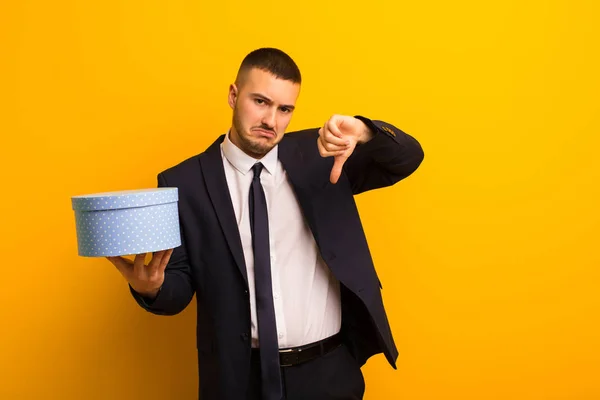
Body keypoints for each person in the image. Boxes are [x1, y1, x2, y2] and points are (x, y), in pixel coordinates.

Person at [107, 47, 424, 400]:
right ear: (233, 95)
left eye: (284, 109)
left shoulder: (321, 156)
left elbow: (407, 158)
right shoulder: (184, 182)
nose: (271, 120)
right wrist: (150, 287)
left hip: (329, 373)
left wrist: (365, 131)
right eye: (260, 101)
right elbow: (177, 291)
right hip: (239, 379)